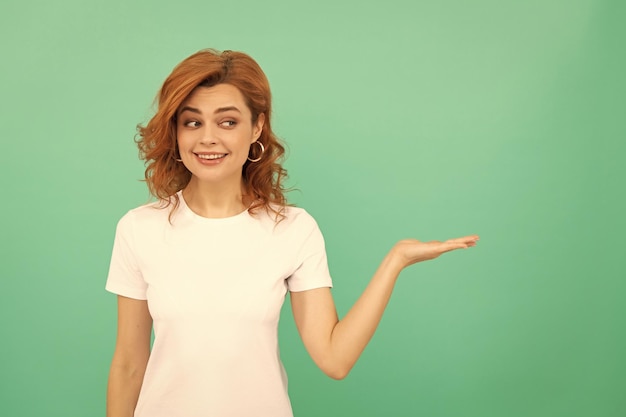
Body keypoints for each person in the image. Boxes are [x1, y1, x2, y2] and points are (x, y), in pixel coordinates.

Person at [105, 49, 479, 417]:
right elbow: (128, 365)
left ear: (257, 127)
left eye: (228, 122)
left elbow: (334, 359)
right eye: (192, 122)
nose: (208, 138)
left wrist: (395, 261)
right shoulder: (140, 229)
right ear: (176, 131)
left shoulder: (293, 230)